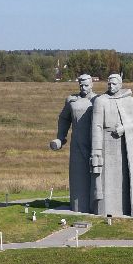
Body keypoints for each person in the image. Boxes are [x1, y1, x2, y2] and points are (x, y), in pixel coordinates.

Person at [90, 74, 133, 217]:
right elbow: (96, 126)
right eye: (109, 84)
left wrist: (124, 128)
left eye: (114, 84)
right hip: (105, 145)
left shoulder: (130, 101)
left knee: (123, 179)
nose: (111, 87)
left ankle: (125, 209)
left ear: (120, 85)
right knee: (105, 180)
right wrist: (96, 151)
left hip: (124, 146)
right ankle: (106, 211)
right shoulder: (100, 101)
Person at [49, 74, 99, 214]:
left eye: (86, 85)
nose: (83, 88)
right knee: (78, 176)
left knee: (95, 176)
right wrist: (60, 137)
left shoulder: (99, 100)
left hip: (95, 144)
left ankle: (96, 207)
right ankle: (79, 206)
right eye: (81, 85)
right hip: (77, 143)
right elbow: (64, 118)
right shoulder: (72, 100)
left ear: (92, 84)